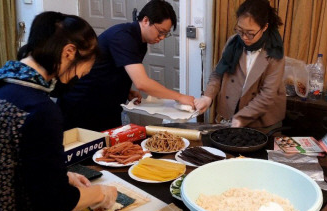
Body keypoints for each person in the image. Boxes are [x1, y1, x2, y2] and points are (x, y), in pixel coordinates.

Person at [0, 12, 117, 211]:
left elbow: (4, 161)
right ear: (69, 52)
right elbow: (54, 201)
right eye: (84, 69)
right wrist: (101, 193)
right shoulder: (39, 110)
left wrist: (60, 175)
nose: (83, 75)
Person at [55, 0, 194, 132]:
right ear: (146, 21)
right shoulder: (123, 37)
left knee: (110, 149)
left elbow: (114, 68)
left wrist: (125, 90)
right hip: (82, 104)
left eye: (166, 34)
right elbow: (142, 83)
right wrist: (180, 97)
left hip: (106, 105)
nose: (162, 37)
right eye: (161, 32)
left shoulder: (141, 42)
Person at [194, 0, 286, 131]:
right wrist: (207, 97)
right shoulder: (233, 42)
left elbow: (268, 95)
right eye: (240, 30)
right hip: (232, 111)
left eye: (250, 33)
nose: (244, 37)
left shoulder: (274, 52)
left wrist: (241, 117)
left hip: (262, 120)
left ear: (265, 27)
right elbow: (218, 73)